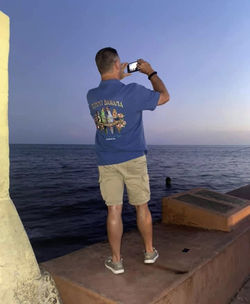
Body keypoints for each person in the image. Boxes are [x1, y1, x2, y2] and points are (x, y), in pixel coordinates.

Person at [87, 47, 170, 274]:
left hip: (106, 160)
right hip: (133, 158)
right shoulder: (132, 91)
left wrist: (117, 77)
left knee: (113, 210)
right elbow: (164, 97)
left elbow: (109, 93)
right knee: (141, 207)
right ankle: (149, 252)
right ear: (117, 64)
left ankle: (116, 261)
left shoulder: (91, 96)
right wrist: (151, 73)